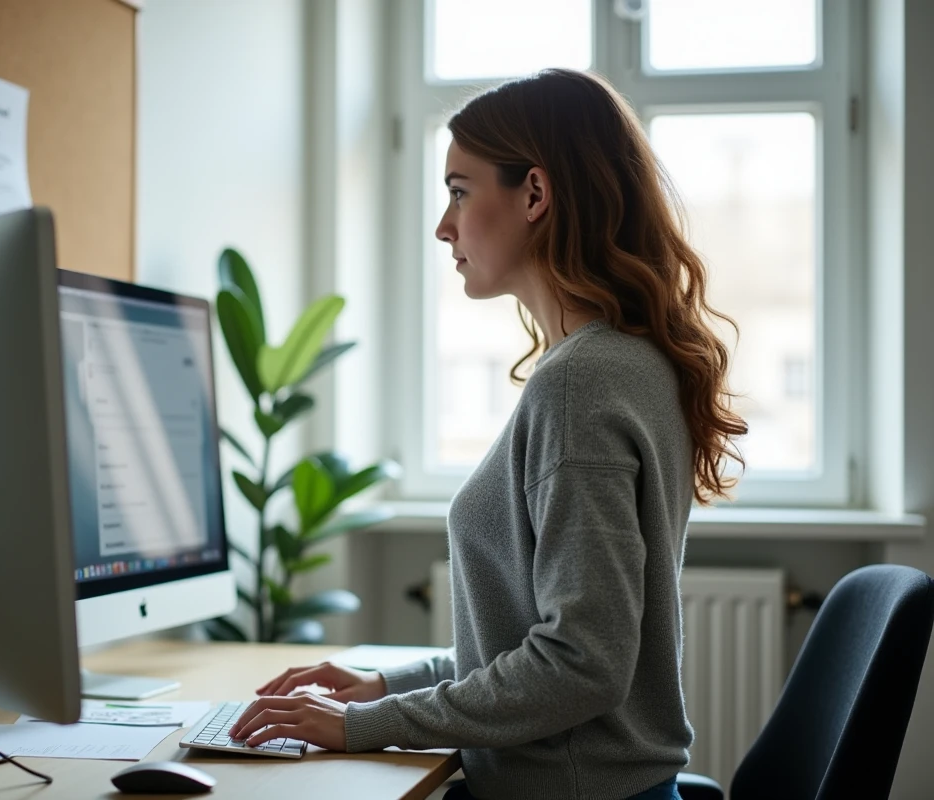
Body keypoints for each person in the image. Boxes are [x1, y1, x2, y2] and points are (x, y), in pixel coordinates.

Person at [230, 68, 748, 800]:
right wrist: (380, 686)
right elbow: (531, 645)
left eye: (459, 191)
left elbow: (579, 664)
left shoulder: (580, 383)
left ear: (535, 194)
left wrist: (365, 723)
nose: (444, 225)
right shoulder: (622, 363)